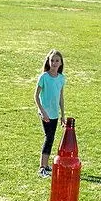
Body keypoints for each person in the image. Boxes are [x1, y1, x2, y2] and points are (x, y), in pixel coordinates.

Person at [34, 49, 66, 177]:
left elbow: (61, 97)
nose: (54, 63)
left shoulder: (61, 78)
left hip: (54, 113)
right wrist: (42, 111)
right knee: (49, 137)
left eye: (57, 61)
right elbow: (36, 96)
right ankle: (42, 167)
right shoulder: (44, 77)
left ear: (61, 63)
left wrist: (63, 115)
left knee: (51, 138)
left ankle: (46, 165)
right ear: (48, 61)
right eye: (52, 60)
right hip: (45, 113)